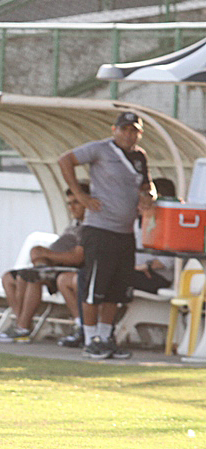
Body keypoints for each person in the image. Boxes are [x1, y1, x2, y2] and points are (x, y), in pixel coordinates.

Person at [58, 111, 153, 359]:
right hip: (100, 229)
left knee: (115, 289)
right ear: (115, 130)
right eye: (124, 129)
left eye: (134, 130)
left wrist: (148, 195)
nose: (129, 135)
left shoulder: (140, 157)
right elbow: (65, 160)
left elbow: (146, 185)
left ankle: (105, 336)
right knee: (94, 287)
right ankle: (90, 340)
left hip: (125, 232)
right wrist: (81, 196)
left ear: (140, 134)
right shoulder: (100, 150)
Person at [56, 178, 177, 348]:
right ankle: (88, 330)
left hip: (154, 277)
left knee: (106, 278)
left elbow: (168, 260)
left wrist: (145, 266)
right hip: (135, 271)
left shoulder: (166, 223)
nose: (139, 202)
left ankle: (101, 334)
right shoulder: (138, 221)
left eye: (145, 197)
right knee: (88, 275)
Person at [0, 184, 88, 343]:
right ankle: (21, 323)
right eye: (69, 203)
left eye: (76, 202)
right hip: (52, 265)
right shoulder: (74, 225)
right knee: (9, 278)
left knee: (32, 276)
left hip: (66, 268)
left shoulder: (89, 228)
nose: (71, 207)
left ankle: (22, 328)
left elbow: (78, 257)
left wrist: (47, 254)